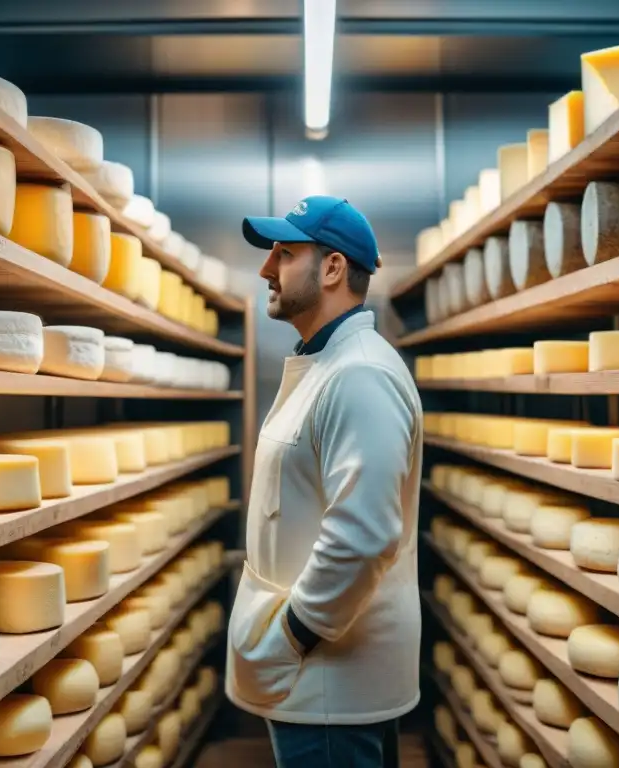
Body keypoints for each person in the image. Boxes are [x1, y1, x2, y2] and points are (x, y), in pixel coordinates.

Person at [225, 195, 424, 768]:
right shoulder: (330, 364)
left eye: (284, 254)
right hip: (316, 679)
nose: (266, 268)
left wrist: (288, 637)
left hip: (330, 683)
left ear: (333, 268)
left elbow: (363, 537)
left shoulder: (358, 374)